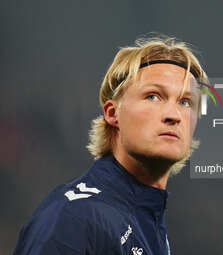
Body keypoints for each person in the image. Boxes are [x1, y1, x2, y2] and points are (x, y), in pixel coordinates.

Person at [13, 34, 207, 255]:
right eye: (153, 96)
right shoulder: (74, 217)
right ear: (113, 114)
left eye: (185, 102)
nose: (174, 115)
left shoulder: (146, 219)